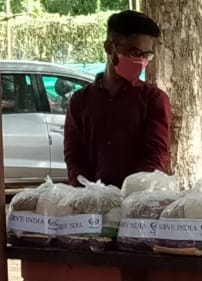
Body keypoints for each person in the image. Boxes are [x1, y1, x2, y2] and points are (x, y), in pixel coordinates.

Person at [64, 10, 171, 187]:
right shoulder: (80, 101)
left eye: (147, 55)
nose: (141, 61)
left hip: (137, 198)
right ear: (109, 47)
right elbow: (74, 156)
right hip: (91, 199)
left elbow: (155, 156)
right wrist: (86, 192)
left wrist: (132, 193)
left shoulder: (154, 100)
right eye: (134, 52)